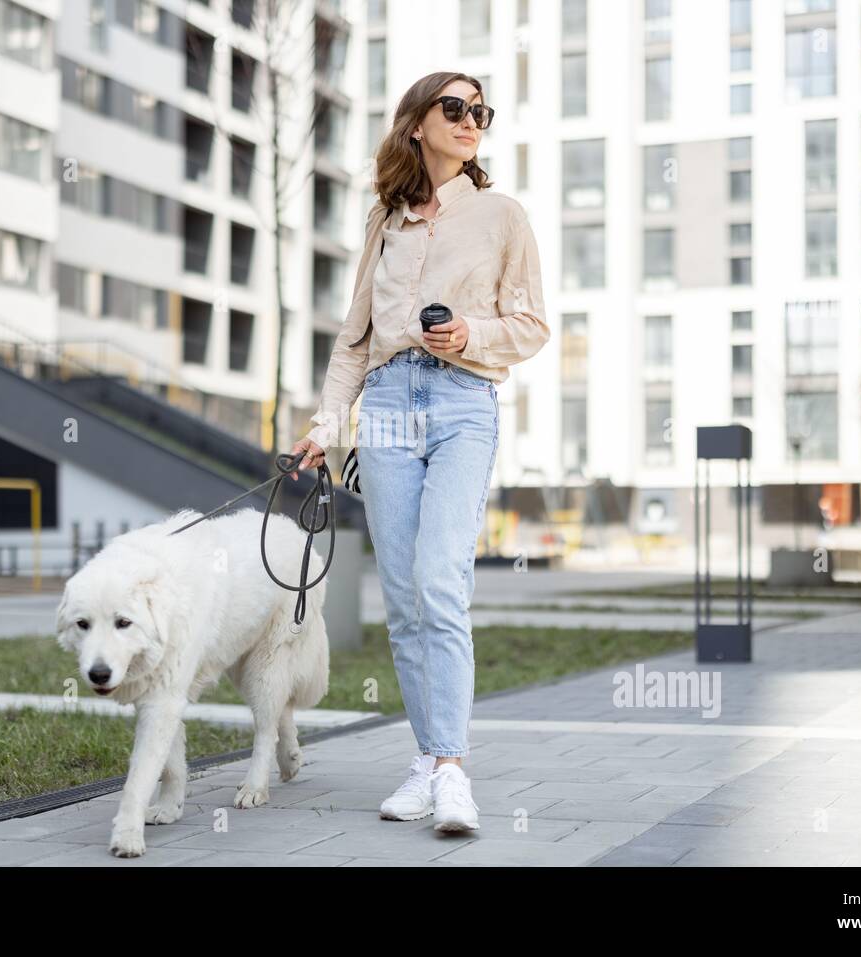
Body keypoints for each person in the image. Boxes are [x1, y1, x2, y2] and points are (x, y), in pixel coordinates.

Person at [289, 71, 550, 832]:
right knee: (403, 597)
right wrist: (326, 426)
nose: (472, 121)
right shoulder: (385, 222)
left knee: (440, 578)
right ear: (416, 124)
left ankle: (453, 773)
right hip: (389, 407)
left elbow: (532, 325)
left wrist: (472, 334)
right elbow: (353, 341)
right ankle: (429, 757)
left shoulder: (502, 215)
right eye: (456, 108)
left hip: (463, 402)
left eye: (481, 112)